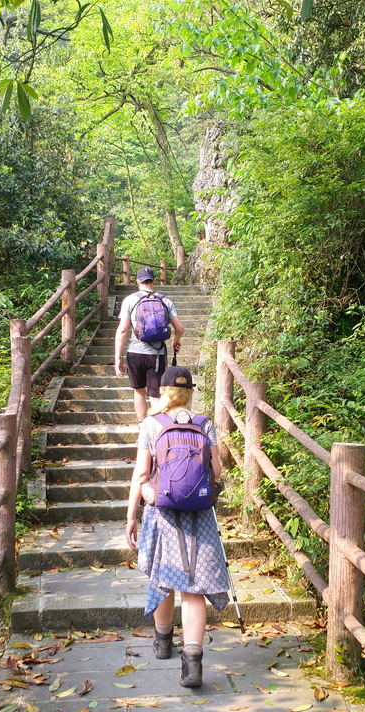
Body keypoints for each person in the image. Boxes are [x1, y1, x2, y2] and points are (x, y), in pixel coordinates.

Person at [125, 366, 227, 688]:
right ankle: (193, 662)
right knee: (193, 587)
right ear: (189, 392)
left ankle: (163, 640)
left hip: (162, 512)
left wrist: (130, 516)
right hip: (199, 512)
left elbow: (141, 475)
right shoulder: (205, 424)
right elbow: (218, 471)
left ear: (163, 391)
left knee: (163, 576)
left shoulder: (151, 425)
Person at [115, 266, 184, 422]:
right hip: (157, 355)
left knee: (139, 392)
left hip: (135, 354)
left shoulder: (130, 300)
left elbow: (122, 330)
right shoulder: (164, 300)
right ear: (154, 281)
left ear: (138, 282)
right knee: (156, 395)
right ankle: (158, 431)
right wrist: (176, 340)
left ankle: (143, 428)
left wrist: (118, 357)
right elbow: (180, 328)